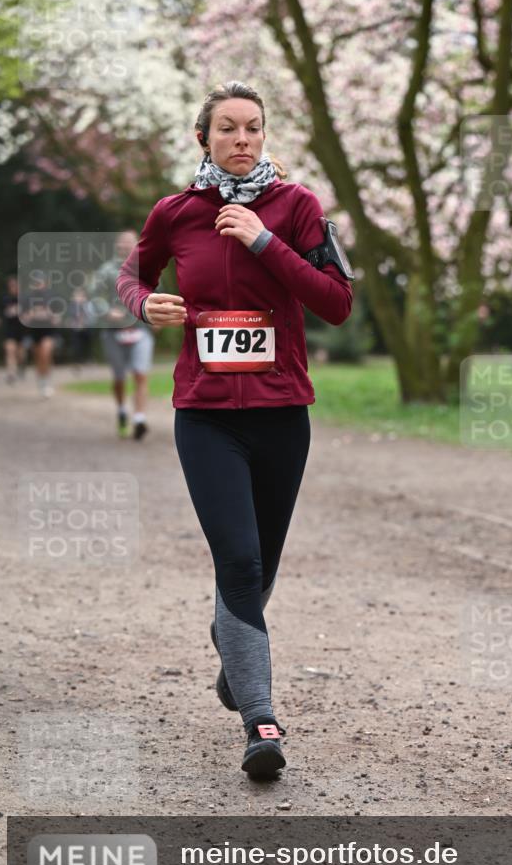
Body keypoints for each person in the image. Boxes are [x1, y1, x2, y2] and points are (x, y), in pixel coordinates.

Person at [116, 80, 353, 779]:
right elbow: (129, 276)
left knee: (263, 565)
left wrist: (264, 241)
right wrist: (144, 304)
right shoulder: (177, 212)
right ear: (203, 138)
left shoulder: (297, 206)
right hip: (206, 417)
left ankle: (234, 649)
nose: (242, 139)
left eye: (252, 127)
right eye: (227, 129)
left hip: (283, 414)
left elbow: (336, 303)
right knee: (239, 563)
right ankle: (261, 720)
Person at [91, 230, 156, 439]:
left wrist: (156, 315)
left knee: (140, 373)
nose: (127, 246)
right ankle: (121, 411)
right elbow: (93, 296)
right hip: (113, 331)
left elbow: (156, 294)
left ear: (138, 244)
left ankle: (139, 419)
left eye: (131, 242)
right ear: (118, 246)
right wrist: (107, 311)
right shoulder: (106, 270)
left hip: (140, 329)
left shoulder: (147, 267)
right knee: (119, 377)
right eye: (123, 243)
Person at [0, 274, 27, 384]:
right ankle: (11, 373)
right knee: (10, 351)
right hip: (9, 329)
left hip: (22, 330)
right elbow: (1, 313)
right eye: (11, 285)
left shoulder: (24, 299)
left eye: (15, 285)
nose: (13, 287)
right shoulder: (5, 298)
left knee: (20, 354)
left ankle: (21, 365)